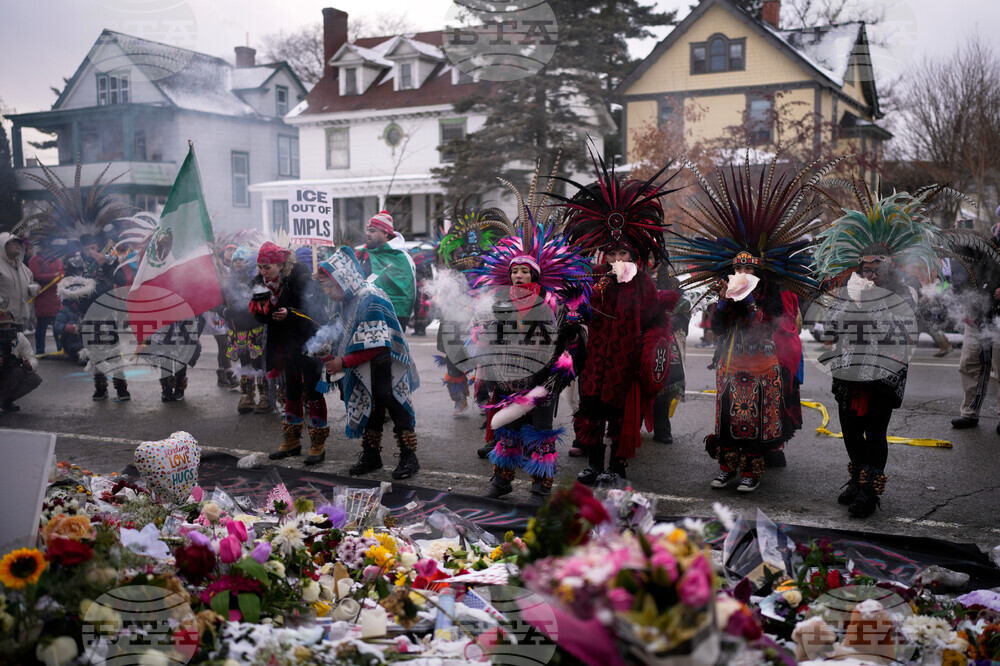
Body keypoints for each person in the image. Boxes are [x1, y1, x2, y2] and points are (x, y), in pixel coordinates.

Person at [669, 155, 833, 493]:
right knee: (728, 418)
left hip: (761, 365)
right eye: (739, 269)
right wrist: (725, 303)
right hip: (731, 364)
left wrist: (748, 302)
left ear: (759, 272)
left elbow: (770, 324)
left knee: (755, 421)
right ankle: (727, 467)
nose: (743, 274)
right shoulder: (727, 293)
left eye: (749, 270)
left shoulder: (769, 294)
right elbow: (717, 328)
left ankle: (752, 471)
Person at [549, 156, 681, 485]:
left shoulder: (644, 282)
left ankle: (617, 466)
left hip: (627, 361)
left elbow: (655, 321)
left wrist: (647, 352)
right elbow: (578, 310)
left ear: (633, 256)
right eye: (611, 254)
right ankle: (595, 464)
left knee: (620, 417)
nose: (616, 259)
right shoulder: (595, 277)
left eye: (622, 254)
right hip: (595, 360)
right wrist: (575, 316)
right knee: (591, 411)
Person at [813, 182, 941, 517]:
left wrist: (871, 301)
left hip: (884, 375)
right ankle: (857, 479)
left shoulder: (903, 292)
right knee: (850, 430)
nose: (870, 274)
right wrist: (851, 299)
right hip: (849, 372)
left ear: (888, 269)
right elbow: (829, 324)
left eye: (876, 270)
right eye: (865, 270)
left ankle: (869, 491)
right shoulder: (850, 288)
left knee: (875, 432)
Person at [467, 214, 591, 504]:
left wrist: (570, 334)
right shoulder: (500, 303)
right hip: (508, 382)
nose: (519, 276)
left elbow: (572, 343)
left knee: (541, 434)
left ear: (535, 276)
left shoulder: (552, 304)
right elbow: (486, 342)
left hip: (542, 383)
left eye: (525, 271)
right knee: (507, 433)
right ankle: (501, 482)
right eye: (515, 272)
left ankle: (540, 487)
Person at [315, 247, 421, 478]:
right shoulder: (342, 299)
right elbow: (337, 330)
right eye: (324, 286)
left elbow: (378, 344)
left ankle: (409, 457)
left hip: (387, 362)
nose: (327, 291)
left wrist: (343, 362)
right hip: (364, 365)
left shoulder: (370, 298)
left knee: (396, 405)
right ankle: (372, 455)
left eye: (329, 286)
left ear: (343, 281)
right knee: (371, 407)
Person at [251, 242, 327, 464]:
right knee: (291, 389)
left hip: (309, 340)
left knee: (313, 390)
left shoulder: (300, 277)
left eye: (267, 267)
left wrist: (290, 312)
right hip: (285, 343)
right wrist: (260, 310)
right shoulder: (260, 282)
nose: (263, 272)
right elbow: (261, 316)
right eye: (260, 267)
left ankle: (318, 443)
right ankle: (292, 441)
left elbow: (316, 314)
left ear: (280, 264)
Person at [946, 212, 1000, 433]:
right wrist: (961, 236)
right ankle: (969, 412)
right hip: (979, 315)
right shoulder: (988, 245)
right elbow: (965, 265)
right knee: (970, 364)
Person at [224, 244, 269, 414]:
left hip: (255, 327)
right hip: (237, 330)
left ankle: (265, 396)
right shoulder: (228, 281)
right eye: (235, 259)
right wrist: (224, 311)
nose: (238, 262)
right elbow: (219, 301)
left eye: (241, 259)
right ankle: (246, 396)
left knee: (258, 362)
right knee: (244, 363)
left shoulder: (258, 279)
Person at [357, 211, 416, 329]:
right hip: (368, 313)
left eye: (372, 231)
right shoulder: (364, 255)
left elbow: (410, 291)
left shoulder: (402, 258)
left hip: (397, 316)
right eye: (367, 230)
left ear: (385, 233)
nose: (367, 234)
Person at [0, 308, 42, 412]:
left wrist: (28, 364)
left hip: (8, 372)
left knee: (33, 378)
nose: (4, 328)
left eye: (6, 324)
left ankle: (4, 401)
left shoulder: (19, 338)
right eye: (1, 325)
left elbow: (32, 358)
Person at [28, 249, 63, 354]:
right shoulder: (35, 260)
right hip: (42, 300)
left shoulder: (57, 260)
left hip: (56, 299)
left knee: (58, 328)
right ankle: (40, 351)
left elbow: (61, 275)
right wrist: (54, 276)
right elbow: (34, 276)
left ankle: (61, 349)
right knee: (41, 327)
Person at [0, 233, 37, 331]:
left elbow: (31, 283)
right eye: (13, 243)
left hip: (20, 318)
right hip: (3, 320)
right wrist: (2, 307)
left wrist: (34, 288)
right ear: (3, 245)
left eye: (19, 243)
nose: (18, 246)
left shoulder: (24, 269)